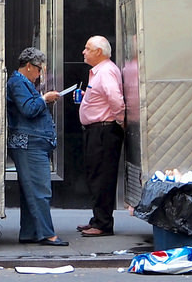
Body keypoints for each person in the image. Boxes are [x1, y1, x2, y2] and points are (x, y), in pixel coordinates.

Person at [6, 47, 68, 246]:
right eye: (39, 69)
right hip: (28, 144)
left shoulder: (22, 82)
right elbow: (28, 109)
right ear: (29, 67)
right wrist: (44, 99)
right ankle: (47, 234)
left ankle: (30, 232)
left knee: (30, 191)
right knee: (41, 190)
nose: (41, 74)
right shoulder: (17, 82)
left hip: (31, 143)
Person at [76, 36, 125, 237]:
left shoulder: (105, 71)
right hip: (98, 130)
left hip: (104, 131)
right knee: (96, 175)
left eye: (87, 48)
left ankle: (103, 223)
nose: (83, 52)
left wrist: (119, 120)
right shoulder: (100, 71)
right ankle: (98, 219)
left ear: (99, 52)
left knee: (102, 177)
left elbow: (115, 98)